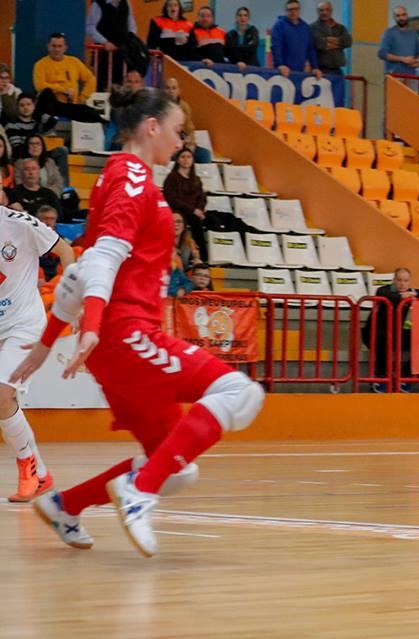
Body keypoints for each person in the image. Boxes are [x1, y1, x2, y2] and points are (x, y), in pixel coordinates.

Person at [13, 86, 265, 557]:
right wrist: (92, 326)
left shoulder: (118, 178)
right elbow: (102, 260)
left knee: (174, 465)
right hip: (127, 333)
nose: (181, 141)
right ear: (151, 127)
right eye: (177, 130)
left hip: (114, 344)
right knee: (242, 393)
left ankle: (65, 506)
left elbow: (81, 272)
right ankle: (139, 494)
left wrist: (49, 343)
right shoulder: (131, 176)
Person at [0, 207, 74, 501]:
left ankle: (28, 468)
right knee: (6, 403)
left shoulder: (20, 224)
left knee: (2, 395)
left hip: (23, 325)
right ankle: (41, 474)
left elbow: (66, 251)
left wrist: (71, 298)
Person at [363, 267, 419, 393]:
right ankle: (381, 377)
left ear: (410, 281)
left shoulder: (411, 292)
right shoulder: (383, 290)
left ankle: (405, 376)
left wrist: (414, 294)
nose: (402, 284)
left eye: (406, 281)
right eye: (399, 280)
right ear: (394, 280)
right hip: (374, 333)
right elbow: (387, 295)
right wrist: (403, 296)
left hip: (397, 333)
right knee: (382, 339)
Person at [33, 34, 104, 124]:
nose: (56, 49)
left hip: (70, 104)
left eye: (60, 46)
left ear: (65, 48)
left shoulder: (74, 61)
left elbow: (91, 79)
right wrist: (64, 90)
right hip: (51, 104)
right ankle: (51, 122)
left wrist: (82, 98)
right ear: (48, 47)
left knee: (92, 113)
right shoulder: (40, 64)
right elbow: (39, 86)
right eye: (54, 46)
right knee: (47, 93)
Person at [164, 147, 208, 259]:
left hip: (195, 212)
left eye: (188, 157)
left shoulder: (196, 179)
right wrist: (193, 210)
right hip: (179, 211)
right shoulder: (171, 178)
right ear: (178, 160)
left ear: (192, 160)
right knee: (193, 222)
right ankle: (189, 257)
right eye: (183, 157)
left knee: (213, 222)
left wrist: (200, 209)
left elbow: (202, 197)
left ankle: (204, 259)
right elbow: (172, 200)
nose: (186, 159)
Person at [86, 0, 137, 89]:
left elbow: (131, 25)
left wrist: (130, 40)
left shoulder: (126, 3)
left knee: (121, 87)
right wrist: (104, 42)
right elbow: (89, 27)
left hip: (122, 55)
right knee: (101, 86)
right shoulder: (98, 3)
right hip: (102, 54)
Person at [163, 77, 212, 164]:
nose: (171, 91)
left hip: (185, 144)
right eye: (168, 88)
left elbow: (190, 129)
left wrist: (191, 143)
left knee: (205, 154)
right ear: (163, 91)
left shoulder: (184, 106)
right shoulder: (159, 107)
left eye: (174, 88)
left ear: (178, 91)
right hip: (169, 146)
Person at [271, 0, 318, 78]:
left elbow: (310, 49)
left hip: (301, 73)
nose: (293, 12)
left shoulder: (305, 27)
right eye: (290, 9)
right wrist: (279, 65)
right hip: (283, 72)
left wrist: (315, 67)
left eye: (295, 9)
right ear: (286, 11)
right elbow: (276, 46)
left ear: (299, 10)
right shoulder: (279, 26)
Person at [378, 5, 419, 76]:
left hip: (411, 76)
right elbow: (382, 54)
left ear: (407, 16)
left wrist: (418, 62)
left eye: (403, 15)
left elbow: (418, 54)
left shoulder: (413, 33)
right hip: (394, 76)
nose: (401, 18)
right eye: (398, 16)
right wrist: (403, 59)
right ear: (394, 17)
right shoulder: (389, 32)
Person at [311, 2, 352, 76]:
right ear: (317, 11)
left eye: (327, 10)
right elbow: (319, 43)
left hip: (338, 70)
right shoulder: (312, 27)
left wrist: (327, 40)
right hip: (321, 70)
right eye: (321, 10)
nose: (324, 12)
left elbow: (348, 41)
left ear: (331, 11)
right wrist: (339, 43)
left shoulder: (340, 27)